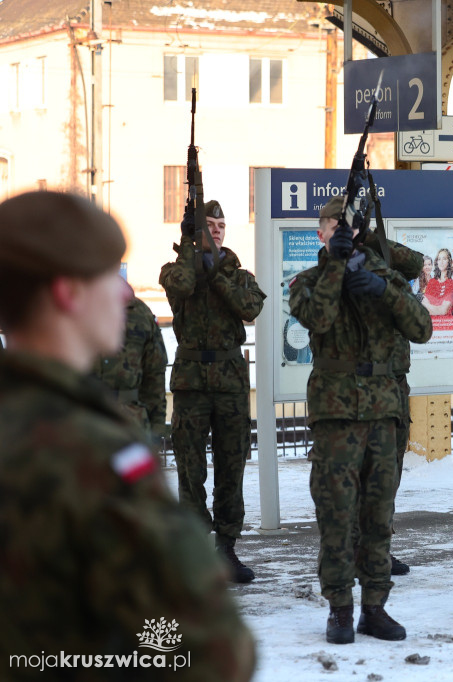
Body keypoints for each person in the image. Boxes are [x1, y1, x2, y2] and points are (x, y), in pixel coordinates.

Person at [0, 191, 255, 680]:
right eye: (106, 275)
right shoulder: (93, 454)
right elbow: (216, 651)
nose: (122, 293)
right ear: (67, 292)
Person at [289, 195, 431, 644]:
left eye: (351, 225)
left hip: (383, 413)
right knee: (336, 515)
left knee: (378, 515)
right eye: (337, 226)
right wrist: (336, 267)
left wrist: (383, 287)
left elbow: (422, 328)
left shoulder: (383, 275)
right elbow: (319, 318)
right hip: (336, 417)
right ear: (322, 233)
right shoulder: (308, 281)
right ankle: (340, 609)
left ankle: (375, 607)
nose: (345, 232)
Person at [159, 199, 267, 582]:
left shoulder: (238, 274)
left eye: (221, 224)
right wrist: (191, 249)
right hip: (190, 381)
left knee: (231, 466)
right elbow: (182, 286)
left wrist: (217, 272)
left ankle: (226, 549)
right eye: (209, 223)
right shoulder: (175, 270)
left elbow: (249, 308)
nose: (217, 229)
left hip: (230, 382)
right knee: (190, 469)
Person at [362, 228, 426, 576]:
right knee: (358, 473)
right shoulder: (341, 265)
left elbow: (415, 264)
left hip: (395, 381)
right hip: (356, 386)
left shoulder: (387, 271)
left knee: (389, 473)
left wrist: (373, 237)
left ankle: (380, 546)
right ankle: (358, 547)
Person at [92, 293, 168, 446]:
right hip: (88, 418)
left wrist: (157, 427)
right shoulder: (74, 306)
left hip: (128, 421)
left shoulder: (140, 312)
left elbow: (154, 374)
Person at [422, 248, 453, 316]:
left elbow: (443, 311)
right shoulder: (432, 282)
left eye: (444, 259)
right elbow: (423, 306)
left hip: (445, 324)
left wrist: (429, 307)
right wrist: (437, 309)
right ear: (437, 262)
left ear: (449, 261)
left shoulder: (451, 283)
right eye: (439, 259)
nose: (441, 262)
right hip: (430, 323)